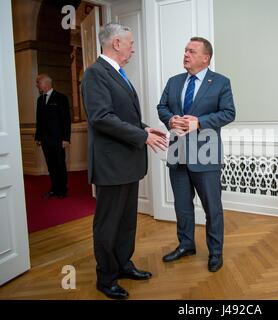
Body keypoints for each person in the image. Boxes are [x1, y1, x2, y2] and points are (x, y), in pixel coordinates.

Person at [81, 23, 168, 299]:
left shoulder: (118, 73)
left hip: (127, 163)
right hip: (110, 165)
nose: (132, 48)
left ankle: (123, 265)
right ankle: (106, 277)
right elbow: (102, 118)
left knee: (127, 222)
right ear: (116, 43)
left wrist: (143, 129)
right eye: (130, 43)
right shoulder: (95, 74)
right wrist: (141, 137)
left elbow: (123, 116)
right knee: (108, 224)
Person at [157, 37, 235, 272]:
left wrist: (199, 123)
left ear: (205, 57)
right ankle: (186, 245)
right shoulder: (174, 82)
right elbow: (162, 107)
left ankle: (216, 253)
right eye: (185, 50)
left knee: (212, 208)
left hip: (207, 153)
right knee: (182, 205)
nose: (186, 54)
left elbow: (229, 113)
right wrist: (170, 119)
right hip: (178, 151)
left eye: (191, 51)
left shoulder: (220, 82)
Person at [35, 74, 71, 199]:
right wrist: (38, 137)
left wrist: (66, 138)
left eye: (38, 82)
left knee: (60, 164)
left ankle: (62, 190)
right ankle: (54, 188)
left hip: (58, 140)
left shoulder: (61, 98)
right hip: (45, 140)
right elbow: (39, 120)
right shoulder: (40, 100)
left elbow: (66, 120)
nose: (37, 85)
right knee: (51, 166)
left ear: (46, 83)